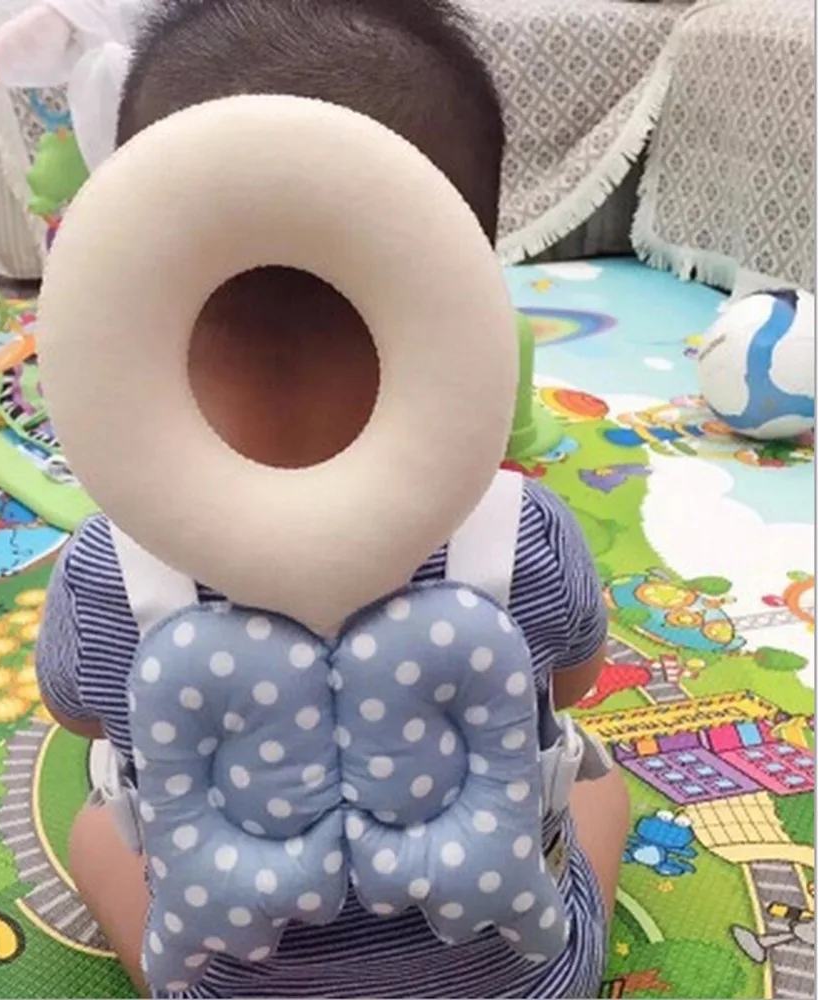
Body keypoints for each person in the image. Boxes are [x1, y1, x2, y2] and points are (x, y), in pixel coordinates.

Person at [36, 1, 629, 996]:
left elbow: (81, 717)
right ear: (464, 291)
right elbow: (568, 687)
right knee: (599, 787)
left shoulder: (107, 569)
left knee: (98, 824)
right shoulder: (523, 533)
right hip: (514, 979)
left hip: (231, 971)